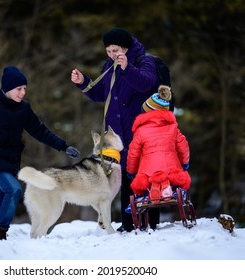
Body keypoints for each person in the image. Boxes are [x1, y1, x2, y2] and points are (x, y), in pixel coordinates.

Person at [0, 66, 80, 241]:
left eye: (25, 88)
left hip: (11, 161)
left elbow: (40, 131)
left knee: (2, 195)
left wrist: (63, 146)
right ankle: (0, 232)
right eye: (19, 89)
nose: (23, 92)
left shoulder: (23, 108)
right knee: (14, 189)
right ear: (8, 88)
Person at [70, 27, 160, 232]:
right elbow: (100, 94)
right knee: (124, 176)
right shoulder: (109, 66)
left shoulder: (144, 61)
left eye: (115, 50)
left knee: (144, 175)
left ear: (126, 48)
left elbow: (146, 84)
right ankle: (129, 223)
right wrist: (82, 81)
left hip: (140, 130)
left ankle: (151, 222)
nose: (112, 55)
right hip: (117, 133)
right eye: (108, 51)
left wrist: (127, 68)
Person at [126, 85, 191, 214]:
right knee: (176, 178)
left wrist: (131, 170)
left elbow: (133, 153)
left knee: (143, 182)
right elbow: (183, 146)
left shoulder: (140, 131)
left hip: (148, 172)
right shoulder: (173, 128)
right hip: (171, 169)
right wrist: (184, 163)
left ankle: (145, 196)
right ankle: (174, 191)